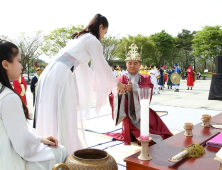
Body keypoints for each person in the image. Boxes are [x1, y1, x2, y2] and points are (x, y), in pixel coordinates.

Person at [34, 14, 126, 154]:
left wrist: (111, 85)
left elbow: (86, 72)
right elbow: (103, 66)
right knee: (62, 113)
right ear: (100, 26)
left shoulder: (81, 38)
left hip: (50, 72)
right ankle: (62, 152)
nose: (103, 36)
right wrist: (117, 84)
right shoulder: (92, 40)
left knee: (52, 112)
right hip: (61, 74)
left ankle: (49, 148)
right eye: (105, 32)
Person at [0, 40, 67, 170]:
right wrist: (38, 142)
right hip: (10, 161)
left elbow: (12, 133)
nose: (22, 67)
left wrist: (39, 139)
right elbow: (23, 145)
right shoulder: (8, 98)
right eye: (19, 61)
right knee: (61, 151)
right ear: (5, 64)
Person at [105, 44, 173, 146]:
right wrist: (119, 94)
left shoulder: (146, 78)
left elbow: (148, 92)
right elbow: (111, 95)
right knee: (148, 140)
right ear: (126, 64)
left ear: (140, 64)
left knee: (158, 133)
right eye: (130, 63)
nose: (132, 65)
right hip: (128, 116)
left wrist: (134, 88)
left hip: (143, 113)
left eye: (135, 63)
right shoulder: (119, 79)